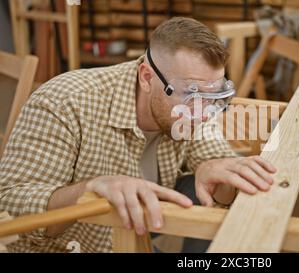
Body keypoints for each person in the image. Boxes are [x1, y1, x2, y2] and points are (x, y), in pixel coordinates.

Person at [0, 17, 276, 253]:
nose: (204, 113)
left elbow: (216, 160)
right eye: (192, 95)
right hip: (79, 243)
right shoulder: (66, 102)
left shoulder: (193, 103)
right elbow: (9, 210)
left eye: (214, 96)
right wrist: (88, 191)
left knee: (209, 183)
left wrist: (224, 173)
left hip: (139, 222)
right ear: (146, 77)